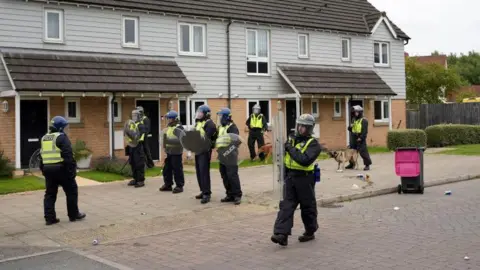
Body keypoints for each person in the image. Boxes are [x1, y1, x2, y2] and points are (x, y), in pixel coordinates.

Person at [271, 114, 322, 247]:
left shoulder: (314, 144)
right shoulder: (291, 139)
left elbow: (304, 160)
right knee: (286, 206)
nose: (300, 129)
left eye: (304, 127)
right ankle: (281, 234)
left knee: (308, 207)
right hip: (290, 177)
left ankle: (310, 231)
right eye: (299, 125)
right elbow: (284, 158)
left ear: (310, 128)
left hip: (305, 178)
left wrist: (290, 148)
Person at [39, 116, 86, 226]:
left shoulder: (44, 138)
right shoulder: (62, 137)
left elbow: (41, 156)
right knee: (71, 191)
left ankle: (50, 218)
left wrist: (43, 170)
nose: (66, 130)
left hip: (48, 170)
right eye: (65, 127)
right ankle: (73, 215)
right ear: (60, 128)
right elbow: (68, 156)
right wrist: (71, 171)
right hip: (62, 169)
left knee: (50, 194)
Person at [216, 108, 243, 205]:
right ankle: (230, 194)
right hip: (222, 155)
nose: (219, 118)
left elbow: (236, 141)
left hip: (230, 155)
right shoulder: (221, 127)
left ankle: (237, 195)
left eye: (221, 116)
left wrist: (227, 152)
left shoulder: (232, 127)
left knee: (232, 175)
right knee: (224, 175)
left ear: (226, 117)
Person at [194, 105, 217, 204]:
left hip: (204, 150)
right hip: (198, 149)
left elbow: (206, 139)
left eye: (201, 113)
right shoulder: (199, 123)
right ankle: (203, 191)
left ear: (206, 114)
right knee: (199, 172)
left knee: (204, 172)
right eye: (198, 113)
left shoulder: (210, 124)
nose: (199, 115)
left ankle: (207, 193)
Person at [159, 110, 185, 194]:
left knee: (177, 169)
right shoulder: (169, 127)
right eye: (168, 118)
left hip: (176, 152)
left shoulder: (179, 128)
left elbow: (181, 140)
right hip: (169, 152)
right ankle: (168, 185)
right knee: (167, 169)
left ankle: (179, 186)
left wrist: (168, 141)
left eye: (169, 118)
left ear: (174, 119)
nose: (168, 120)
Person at [346, 105, 372, 171]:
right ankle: (351, 164)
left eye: (356, 112)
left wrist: (361, 138)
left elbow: (365, 131)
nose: (355, 113)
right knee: (351, 151)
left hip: (360, 137)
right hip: (353, 137)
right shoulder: (354, 119)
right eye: (354, 112)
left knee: (363, 152)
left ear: (360, 112)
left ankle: (367, 165)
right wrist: (350, 127)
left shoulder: (364, 120)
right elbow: (351, 129)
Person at [126, 109, 147, 188]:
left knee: (139, 163)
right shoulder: (132, 125)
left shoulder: (141, 125)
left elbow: (138, 136)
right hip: (132, 146)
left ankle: (141, 180)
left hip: (138, 146)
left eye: (135, 115)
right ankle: (135, 179)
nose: (133, 117)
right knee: (133, 163)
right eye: (133, 115)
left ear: (139, 116)